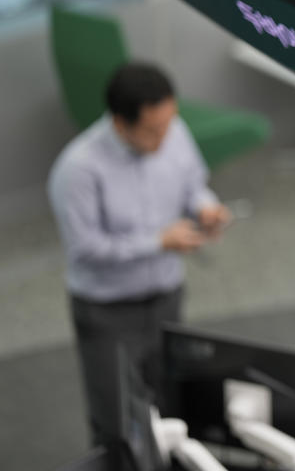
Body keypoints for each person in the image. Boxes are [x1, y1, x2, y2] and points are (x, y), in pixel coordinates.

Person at [47, 62, 232, 446]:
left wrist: (205, 208)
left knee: (172, 407)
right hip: (108, 313)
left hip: (166, 296)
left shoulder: (173, 131)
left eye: (169, 123)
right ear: (119, 123)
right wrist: (158, 242)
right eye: (153, 130)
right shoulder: (78, 169)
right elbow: (85, 249)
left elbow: (193, 184)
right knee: (116, 421)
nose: (166, 137)